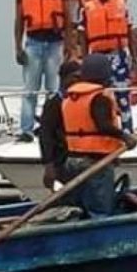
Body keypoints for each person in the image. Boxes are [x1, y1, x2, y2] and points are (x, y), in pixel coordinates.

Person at [61, 54, 137, 217]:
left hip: (73, 160)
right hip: (95, 163)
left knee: (80, 207)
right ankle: (99, 237)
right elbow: (103, 126)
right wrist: (125, 137)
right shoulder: (98, 98)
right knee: (100, 209)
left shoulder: (70, 97)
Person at [14, 0, 71, 142]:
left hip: (55, 42)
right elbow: (19, 19)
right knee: (30, 89)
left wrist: (69, 44)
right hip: (33, 42)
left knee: (53, 89)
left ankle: (51, 128)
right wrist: (17, 47)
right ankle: (26, 130)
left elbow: (68, 16)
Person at [80, 0, 134, 132]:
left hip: (118, 54)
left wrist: (133, 57)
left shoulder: (121, 2)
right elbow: (82, 35)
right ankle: (102, 129)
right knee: (98, 95)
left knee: (122, 92)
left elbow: (130, 30)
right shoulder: (86, 5)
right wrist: (84, 58)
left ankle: (127, 129)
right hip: (96, 57)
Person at [39, 61, 81, 190]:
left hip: (78, 159)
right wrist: (49, 165)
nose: (79, 81)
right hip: (60, 162)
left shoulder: (78, 101)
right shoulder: (53, 104)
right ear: (64, 78)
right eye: (75, 77)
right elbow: (45, 135)